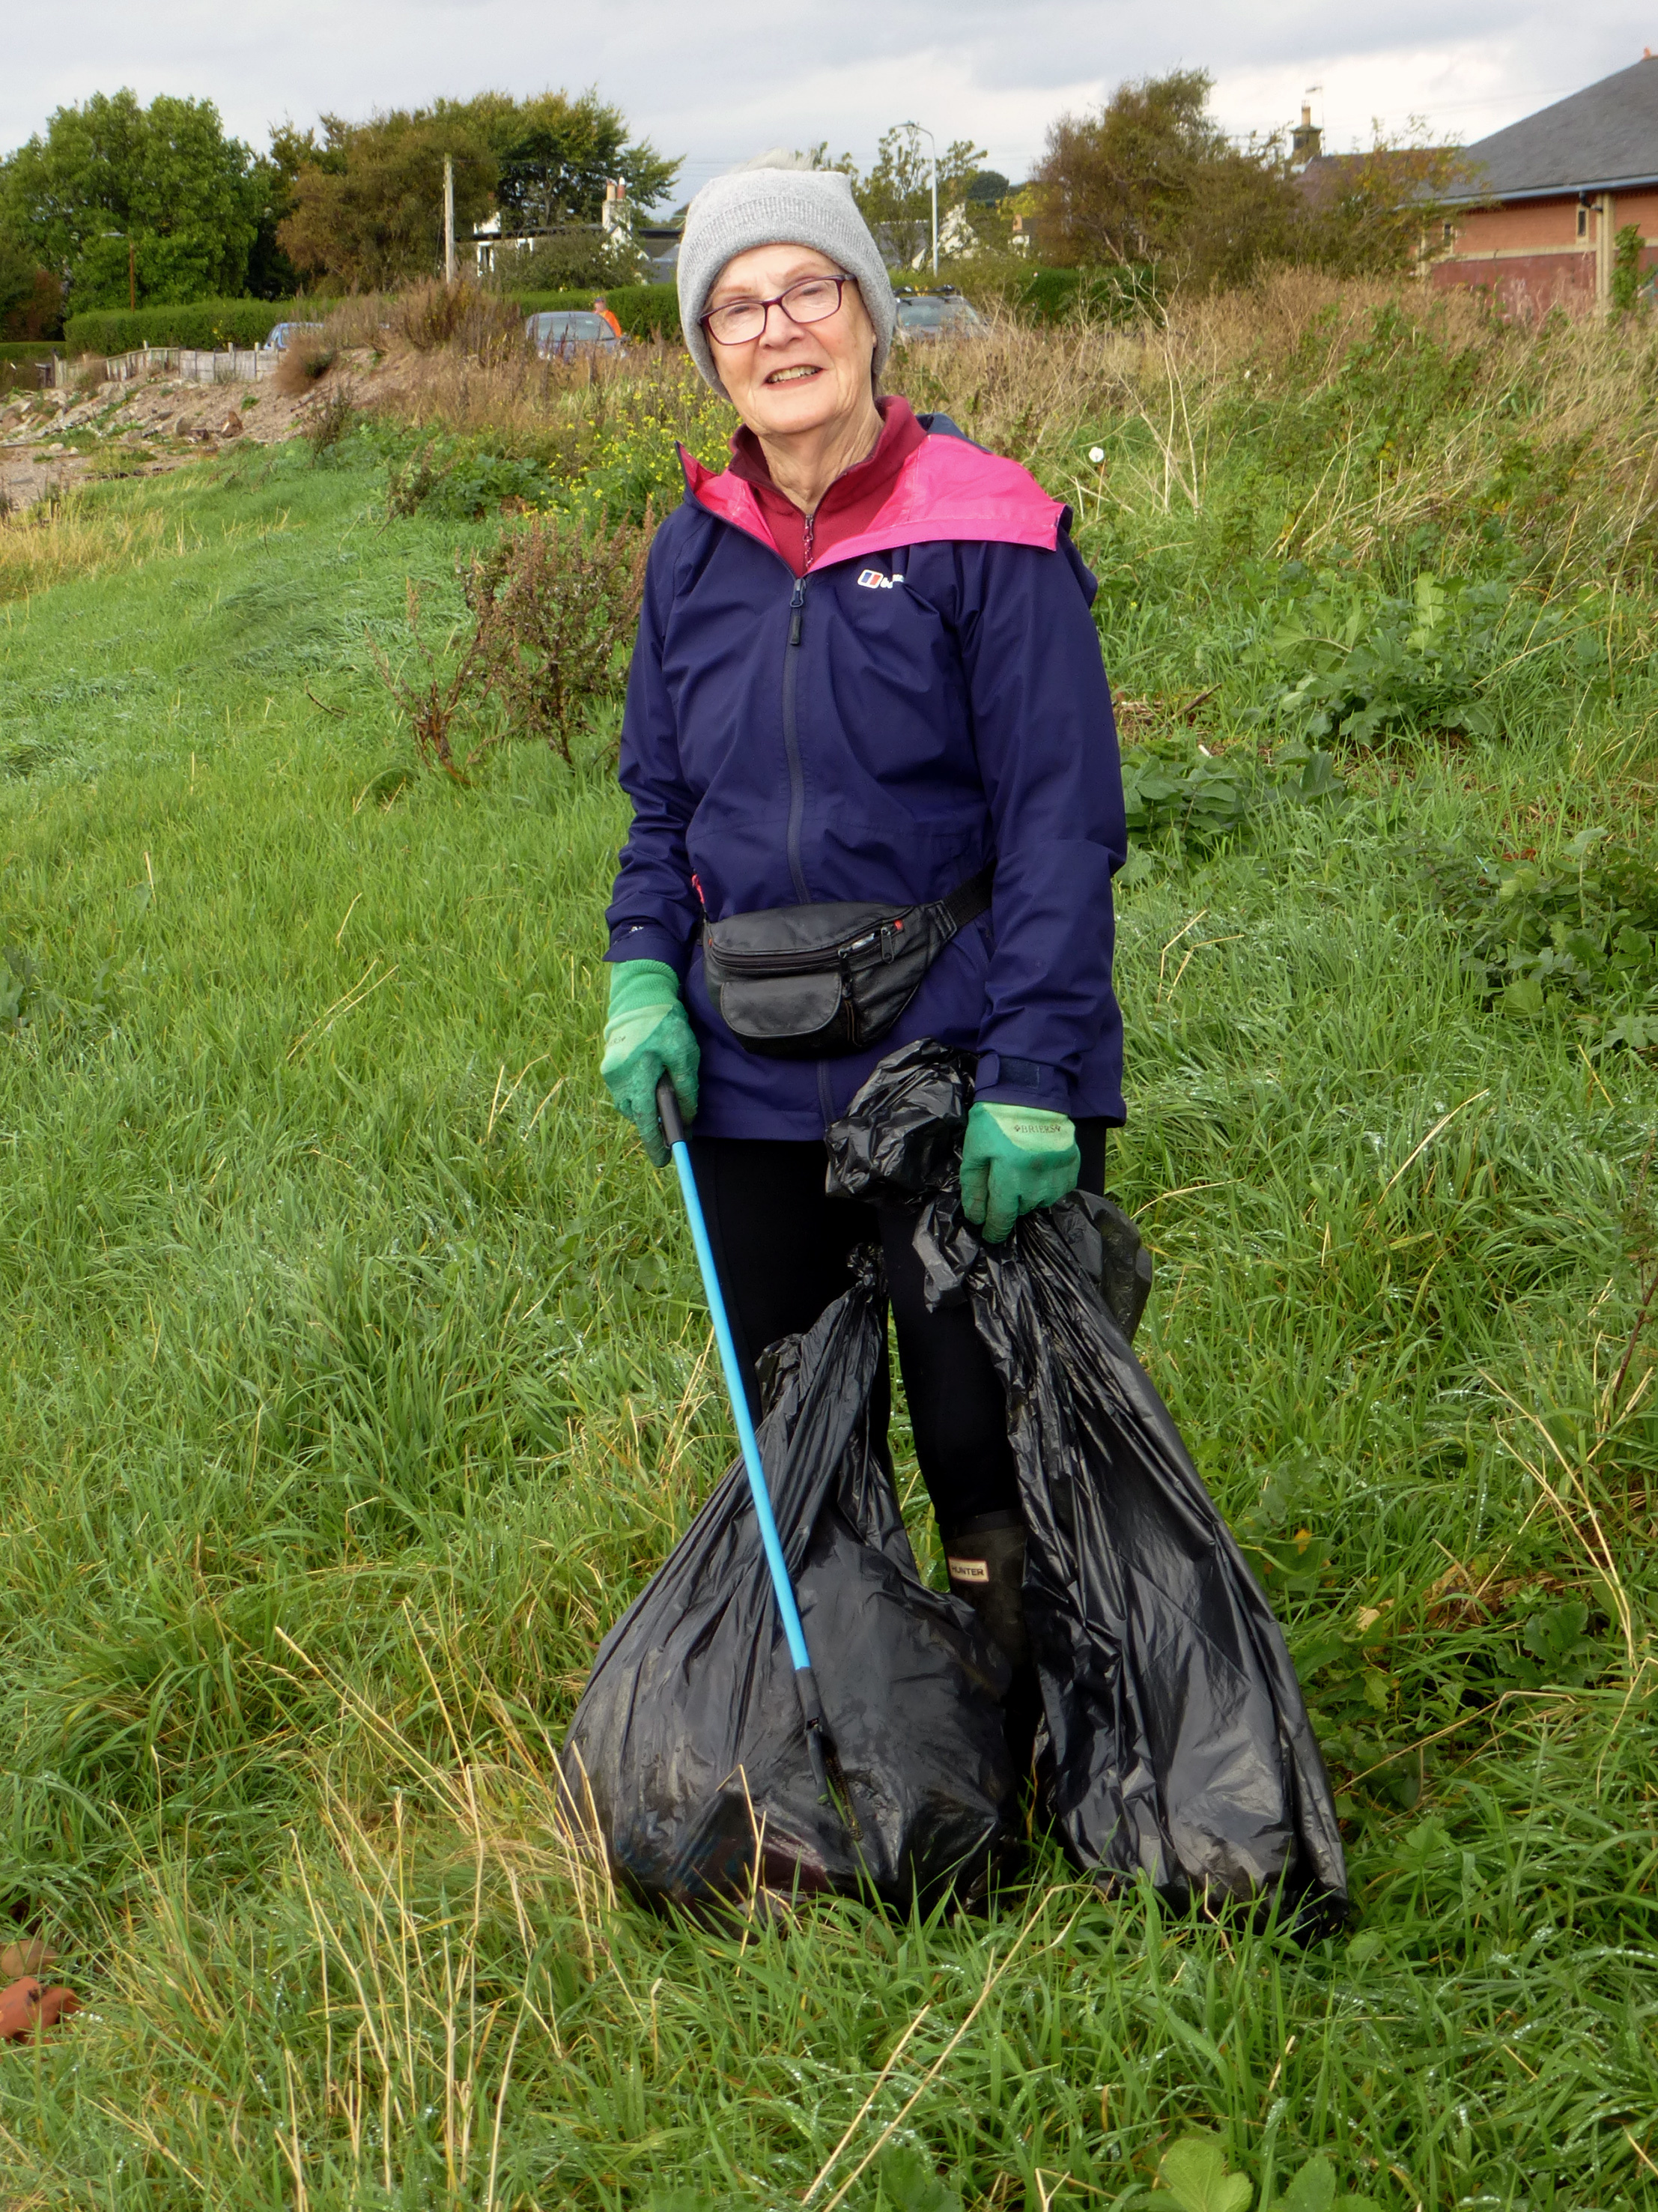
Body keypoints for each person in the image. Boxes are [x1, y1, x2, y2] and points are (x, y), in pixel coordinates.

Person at [598, 161, 1125, 1712]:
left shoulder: (994, 531)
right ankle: (872, 1740)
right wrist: (643, 973)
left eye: (808, 290)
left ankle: (1020, 1723)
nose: (778, 333)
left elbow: (1058, 823)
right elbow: (659, 803)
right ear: (710, 349)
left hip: (955, 1053)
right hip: (752, 1070)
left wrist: (1035, 1067)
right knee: (795, 1415)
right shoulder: (689, 554)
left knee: (978, 1424)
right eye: (738, 308)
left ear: (869, 313)